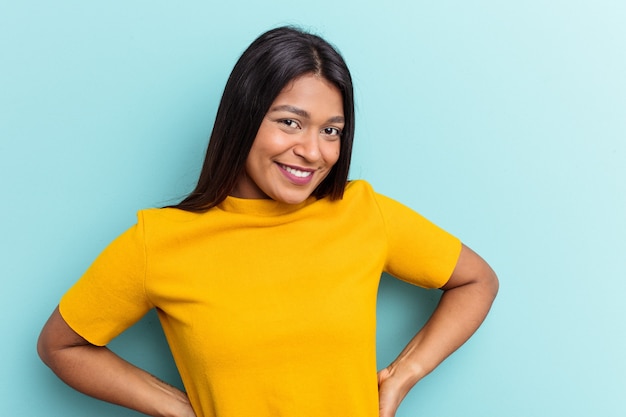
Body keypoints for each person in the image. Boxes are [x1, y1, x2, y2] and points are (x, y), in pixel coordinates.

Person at [37, 26, 498, 417]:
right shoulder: (158, 242)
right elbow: (61, 345)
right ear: (244, 119)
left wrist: (403, 375)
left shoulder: (363, 214)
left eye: (331, 130)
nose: (313, 152)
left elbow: (477, 280)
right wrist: (176, 406)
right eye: (291, 123)